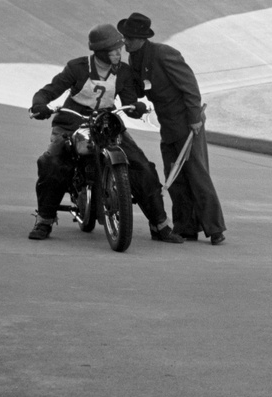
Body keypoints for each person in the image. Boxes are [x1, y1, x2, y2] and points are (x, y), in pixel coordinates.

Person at [27, 23, 183, 244]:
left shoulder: (124, 72)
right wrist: (39, 104)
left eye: (120, 48)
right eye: (115, 49)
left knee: (143, 167)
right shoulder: (78, 67)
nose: (120, 52)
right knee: (52, 162)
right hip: (72, 122)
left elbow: (129, 101)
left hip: (106, 123)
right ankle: (44, 219)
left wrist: (136, 107)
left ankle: (159, 225)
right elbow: (49, 91)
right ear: (101, 52)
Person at [118, 12, 227, 245]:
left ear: (141, 38)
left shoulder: (164, 54)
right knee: (175, 178)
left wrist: (195, 118)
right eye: (124, 37)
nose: (125, 42)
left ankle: (215, 229)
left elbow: (189, 86)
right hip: (167, 125)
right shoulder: (134, 59)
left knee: (197, 176)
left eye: (129, 38)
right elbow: (140, 90)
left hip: (187, 124)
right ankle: (186, 227)